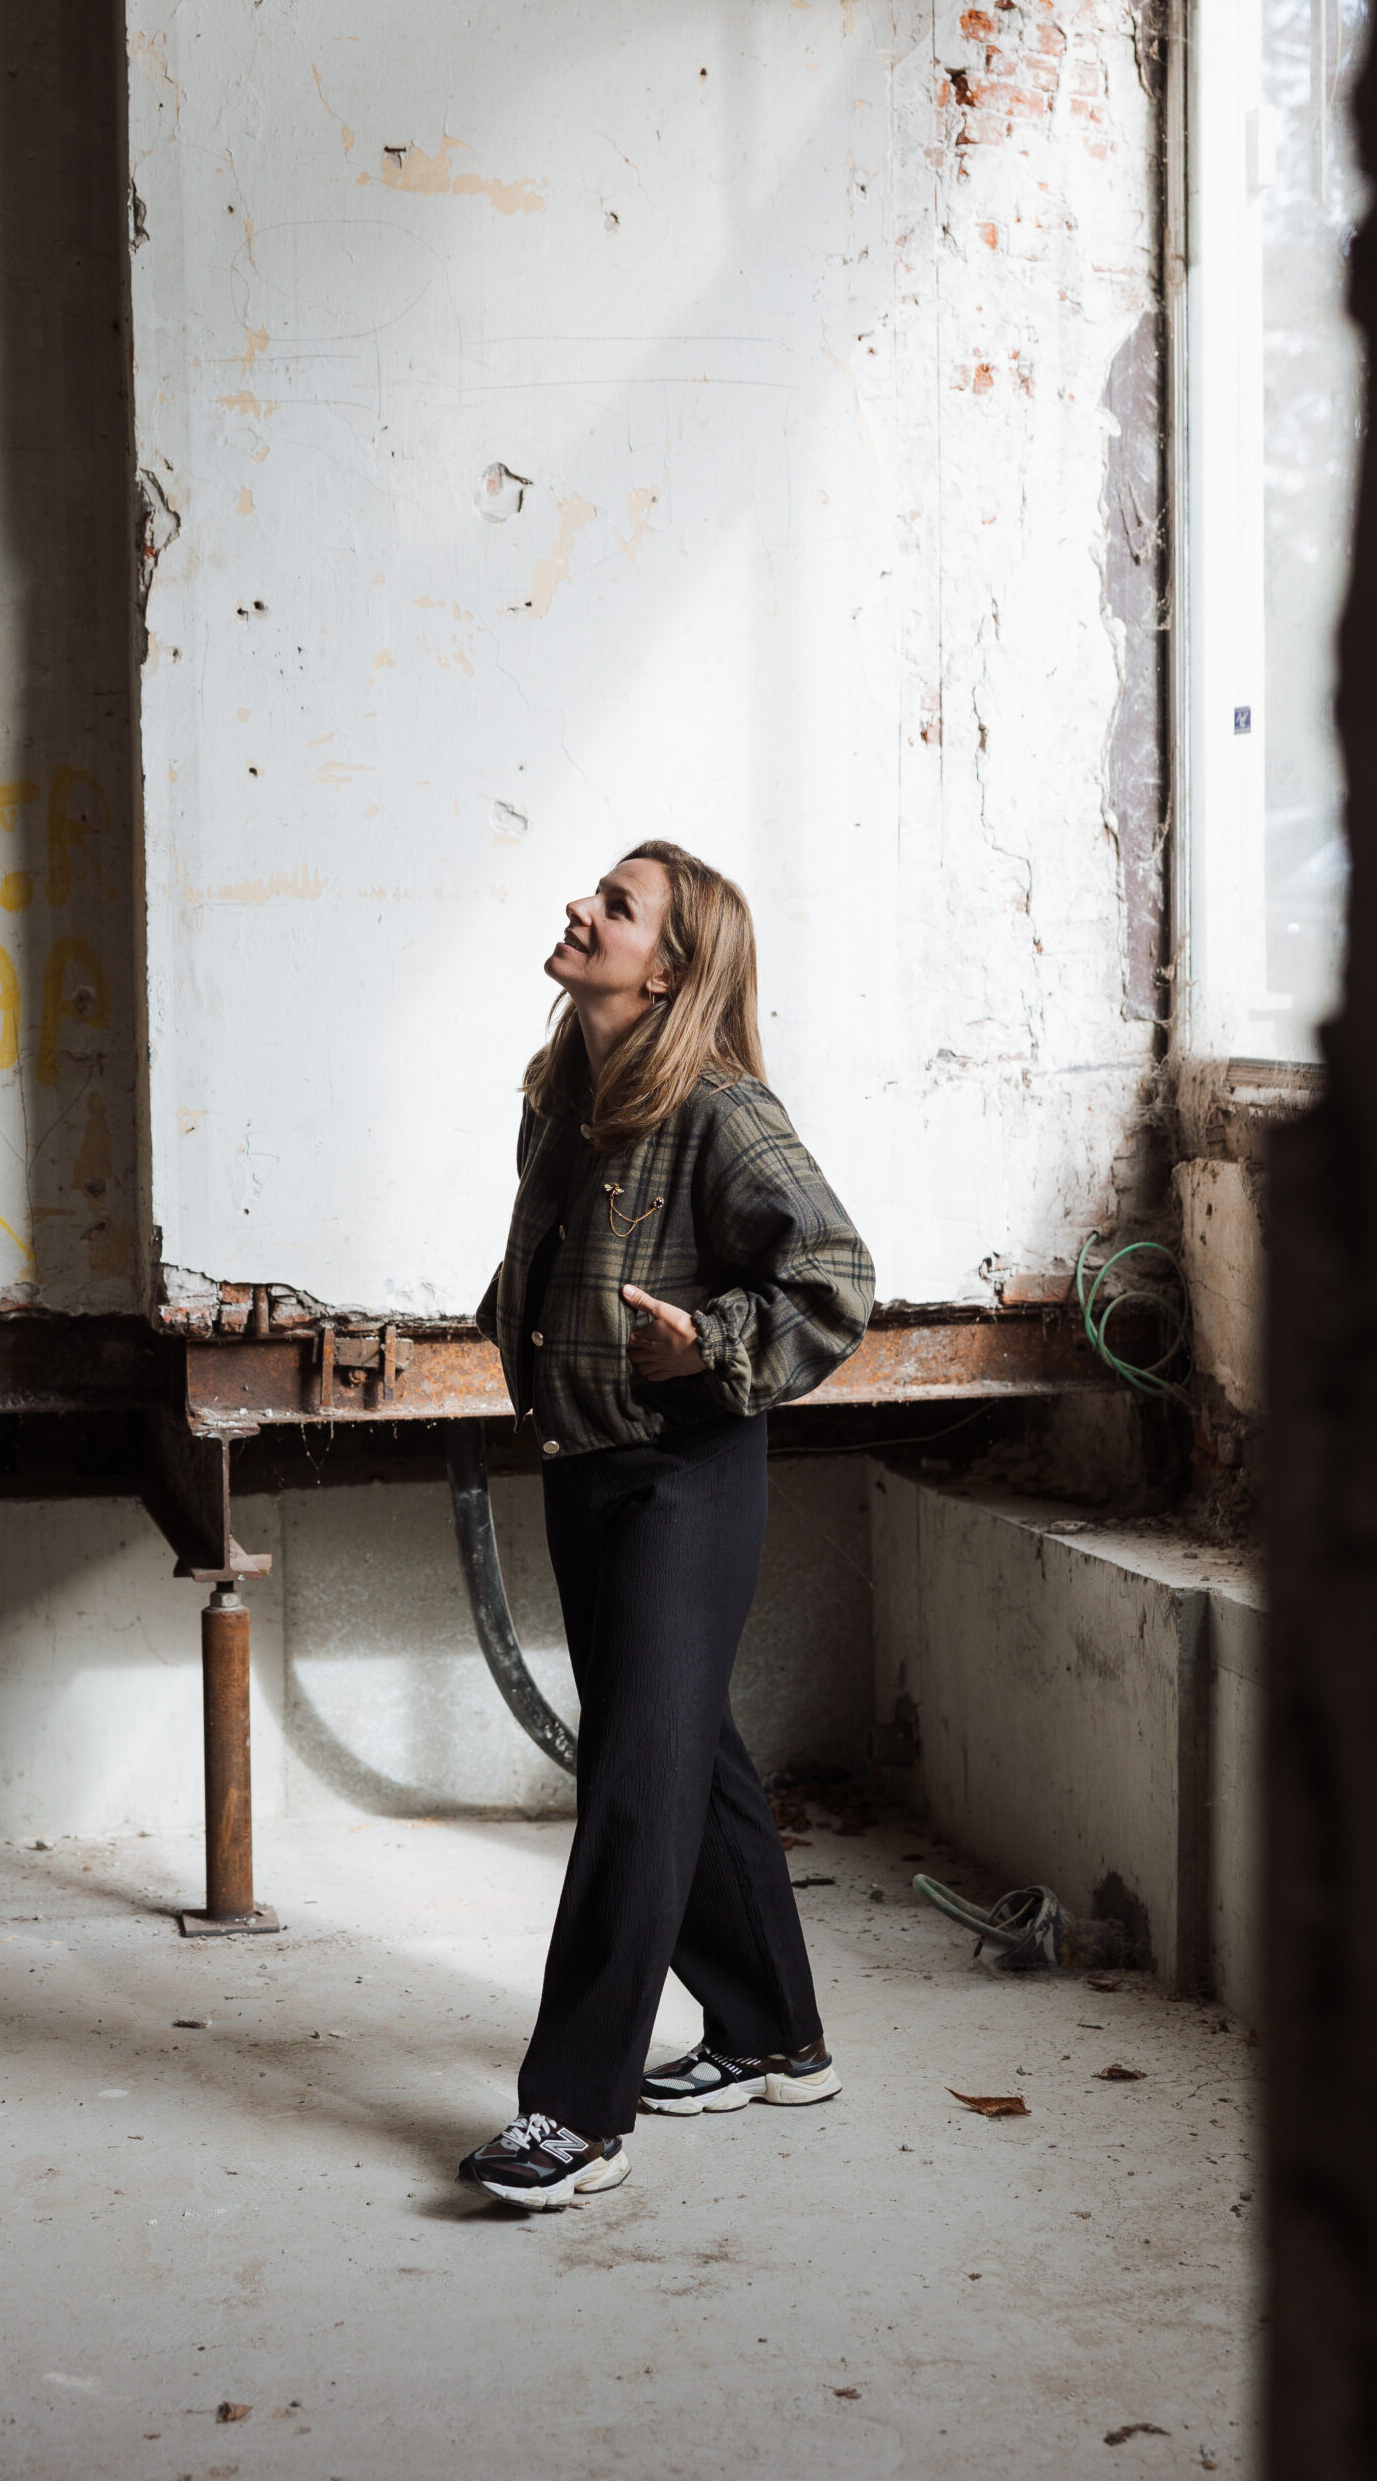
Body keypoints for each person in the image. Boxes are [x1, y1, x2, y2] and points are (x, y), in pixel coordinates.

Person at [458, 840, 875, 2209]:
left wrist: (713, 1345)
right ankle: (773, 2035)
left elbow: (836, 1277)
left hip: (686, 1476)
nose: (582, 909)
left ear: (671, 968)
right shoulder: (566, 1093)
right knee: (683, 1751)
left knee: (637, 1779)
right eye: (597, 893)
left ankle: (576, 2114)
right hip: (588, 1456)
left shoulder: (720, 1107)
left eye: (617, 906)